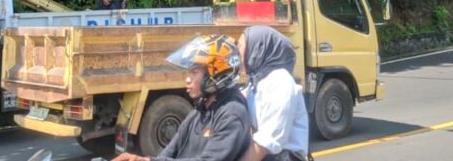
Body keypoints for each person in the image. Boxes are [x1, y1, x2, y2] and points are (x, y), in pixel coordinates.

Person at [111, 34, 251, 161]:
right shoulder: (201, 110)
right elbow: (169, 152)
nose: (187, 80)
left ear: (215, 75)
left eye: (194, 73)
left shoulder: (232, 113)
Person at [237, 26, 310, 161]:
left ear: (258, 48)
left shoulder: (280, 81)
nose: (237, 53)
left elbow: (267, 141)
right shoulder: (256, 82)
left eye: (240, 46)